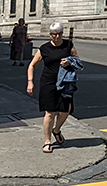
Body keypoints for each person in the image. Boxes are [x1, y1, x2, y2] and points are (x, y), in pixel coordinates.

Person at [27, 22, 78, 154]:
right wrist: (30, 82)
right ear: (50, 35)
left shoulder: (68, 45)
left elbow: (77, 60)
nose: (57, 37)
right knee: (50, 112)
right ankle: (47, 141)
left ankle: (56, 130)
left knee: (66, 110)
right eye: (54, 34)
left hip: (65, 83)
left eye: (59, 34)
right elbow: (32, 65)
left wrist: (69, 61)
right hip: (48, 82)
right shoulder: (44, 48)